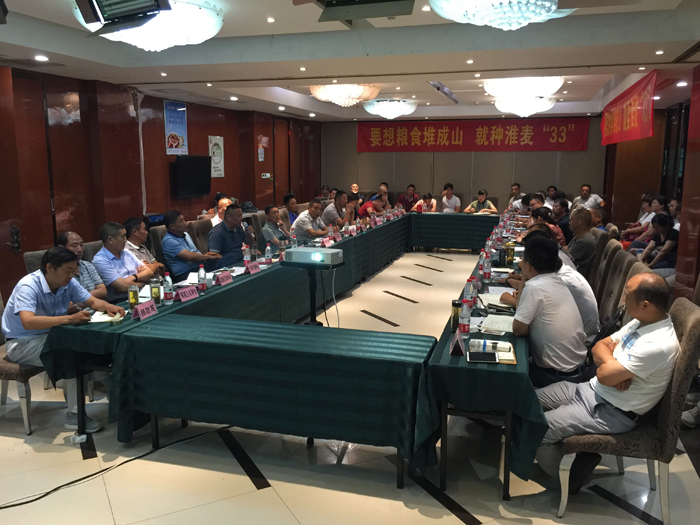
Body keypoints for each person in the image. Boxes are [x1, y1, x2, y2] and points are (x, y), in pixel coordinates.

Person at [535, 273, 679, 490]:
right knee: (529, 401)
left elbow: (604, 374)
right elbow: (599, 346)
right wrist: (613, 364)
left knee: (538, 428)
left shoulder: (657, 344)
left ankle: (571, 478)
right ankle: (566, 458)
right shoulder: (642, 322)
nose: (623, 300)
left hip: (612, 412)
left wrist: (610, 369)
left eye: (627, 295)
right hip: (592, 390)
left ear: (645, 305)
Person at [1, 247, 124, 432]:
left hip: (53, 335)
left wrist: (108, 307)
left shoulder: (67, 283)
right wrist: (69, 319)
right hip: (22, 343)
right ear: (50, 268)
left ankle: (118, 395)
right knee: (72, 354)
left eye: (73, 270)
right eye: (68, 271)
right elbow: (28, 322)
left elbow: (92, 302)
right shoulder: (28, 286)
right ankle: (74, 415)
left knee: (92, 348)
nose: (71, 275)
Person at [499, 236, 588, 388]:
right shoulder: (556, 280)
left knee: (502, 373)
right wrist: (525, 278)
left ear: (528, 266)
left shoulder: (535, 288)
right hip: (577, 368)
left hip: (556, 376)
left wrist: (524, 279)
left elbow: (518, 330)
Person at [92, 222, 154, 302]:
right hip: (121, 301)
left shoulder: (126, 252)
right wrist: (142, 282)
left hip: (142, 294)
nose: (126, 240)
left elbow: (149, 272)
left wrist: (134, 277)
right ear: (110, 239)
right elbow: (123, 287)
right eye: (123, 236)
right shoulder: (100, 260)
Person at [161, 210, 221, 283]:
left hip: (200, 267)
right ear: (172, 226)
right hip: (185, 274)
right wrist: (207, 257)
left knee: (225, 260)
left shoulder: (186, 234)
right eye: (181, 221)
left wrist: (206, 255)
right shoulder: (168, 241)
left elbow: (194, 251)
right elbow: (190, 257)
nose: (185, 223)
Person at [57, 231, 108, 303]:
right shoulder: (58, 273)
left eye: (81, 245)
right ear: (62, 248)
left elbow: (103, 291)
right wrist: (92, 297)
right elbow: (66, 305)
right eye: (74, 245)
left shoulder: (87, 265)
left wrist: (78, 299)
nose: (79, 250)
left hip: (98, 308)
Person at [208, 203, 256, 268]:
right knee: (232, 256)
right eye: (238, 216)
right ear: (229, 217)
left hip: (239, 261)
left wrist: (249, 233)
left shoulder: (238, 228)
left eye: (241, 215)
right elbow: (213, 256)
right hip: (225, 265)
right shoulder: (217, 232)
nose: (241, 218)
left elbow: (249, 244)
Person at [563, 208, 597, 279]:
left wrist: (566, 250)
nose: (569, 222)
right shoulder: (577, 236)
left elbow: (565, 259)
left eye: (572, 219)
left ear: (580, 221)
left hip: (576, 277)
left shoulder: (584, 241)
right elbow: (565, 250)